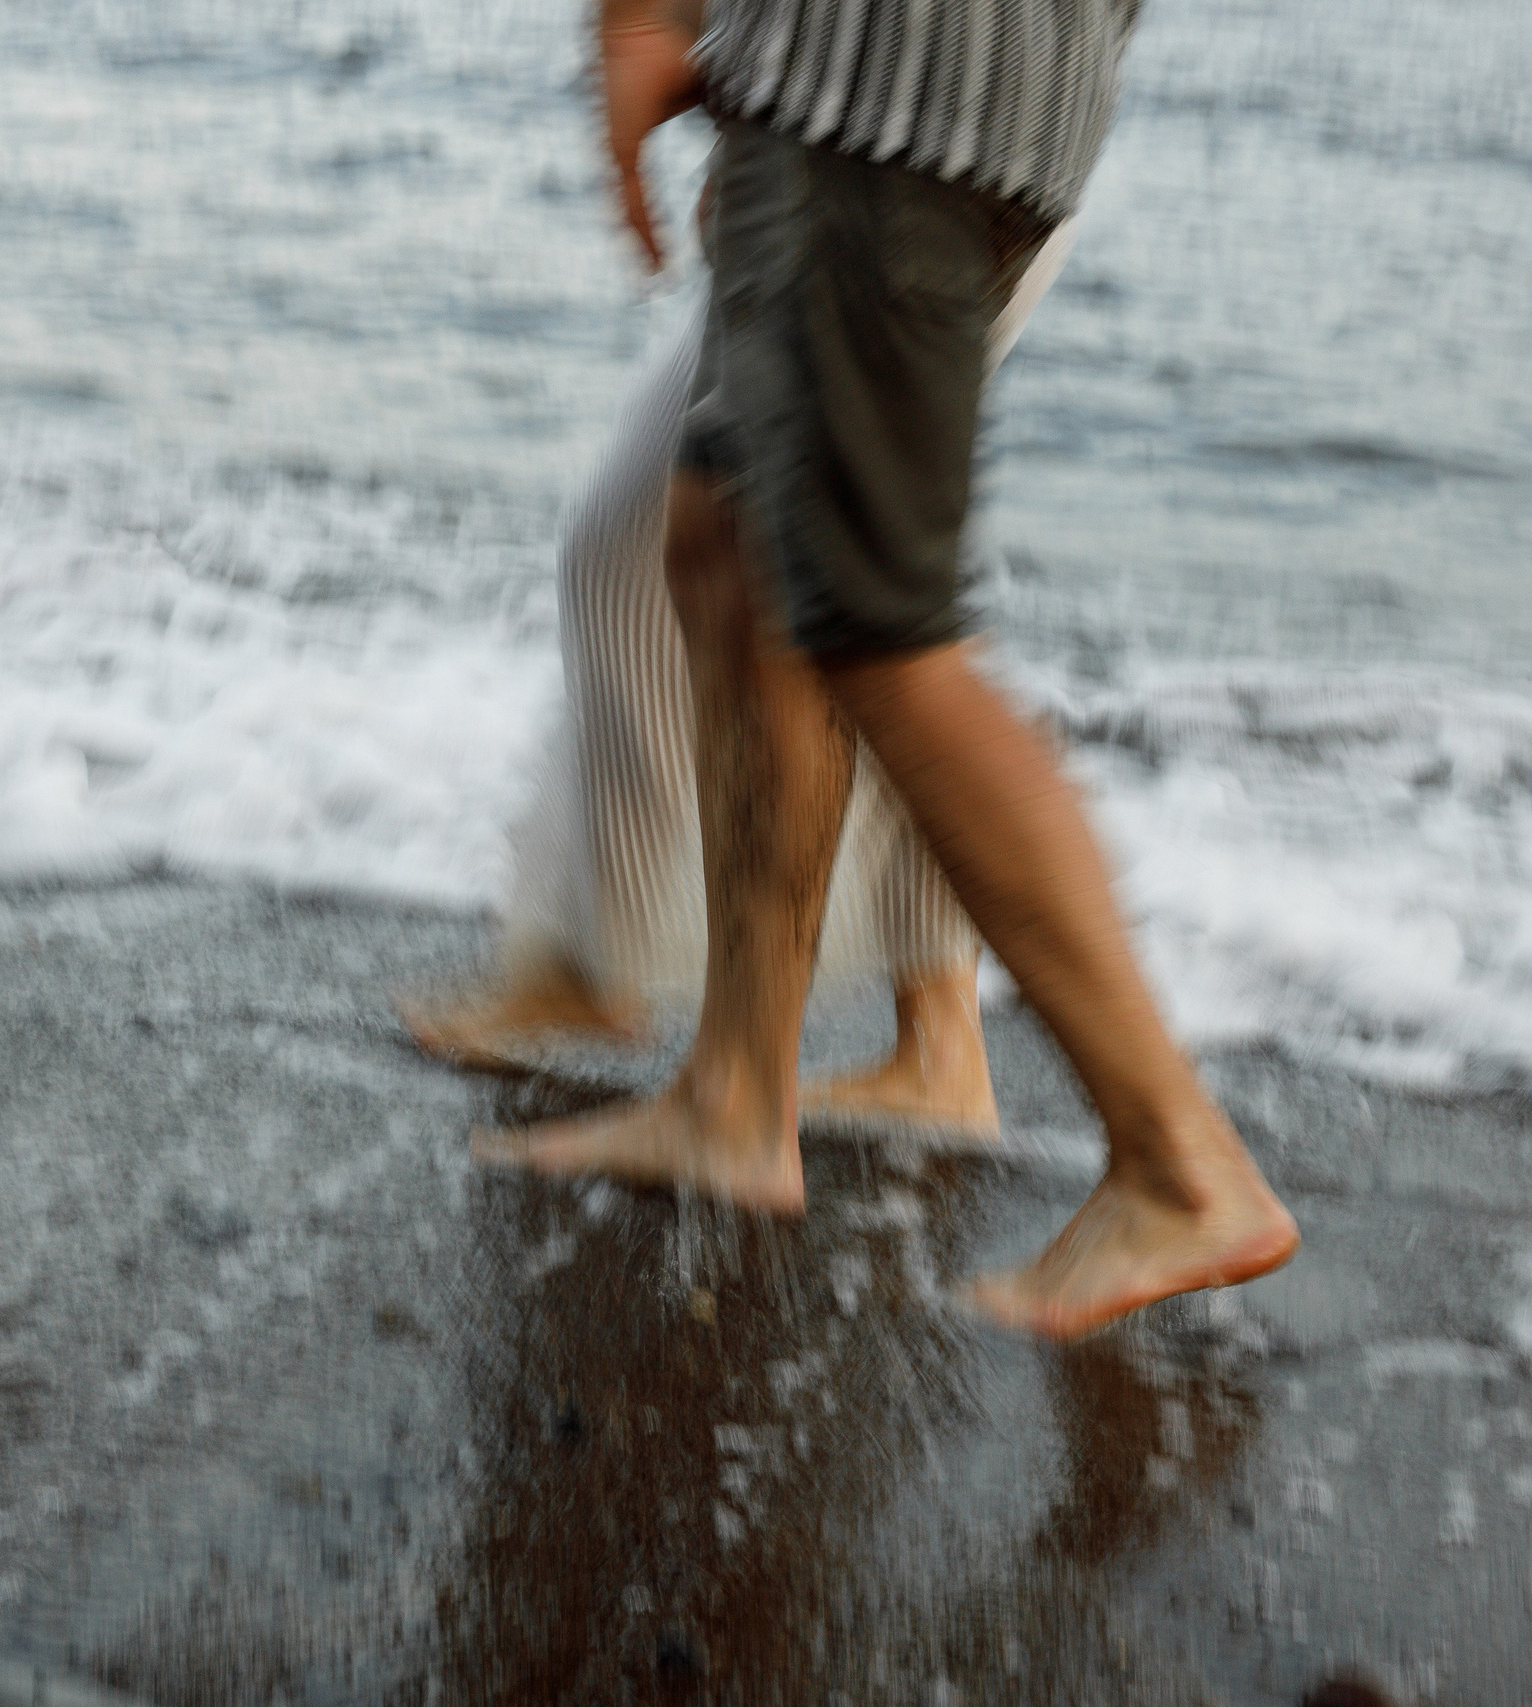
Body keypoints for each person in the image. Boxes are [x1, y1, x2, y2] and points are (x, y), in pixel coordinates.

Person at [479, 0, 1300, 1340]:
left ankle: (1178, 1159)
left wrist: (653, 22)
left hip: (891, 100)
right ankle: (734, 1093)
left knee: (884, 637)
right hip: (920, 96)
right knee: (726, 549)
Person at [404, 221, 1074, 1140]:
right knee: (837, 577)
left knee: (676, 559)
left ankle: (609, 973)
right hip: (902, 150)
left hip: (914, 157)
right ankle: (935, 1040)